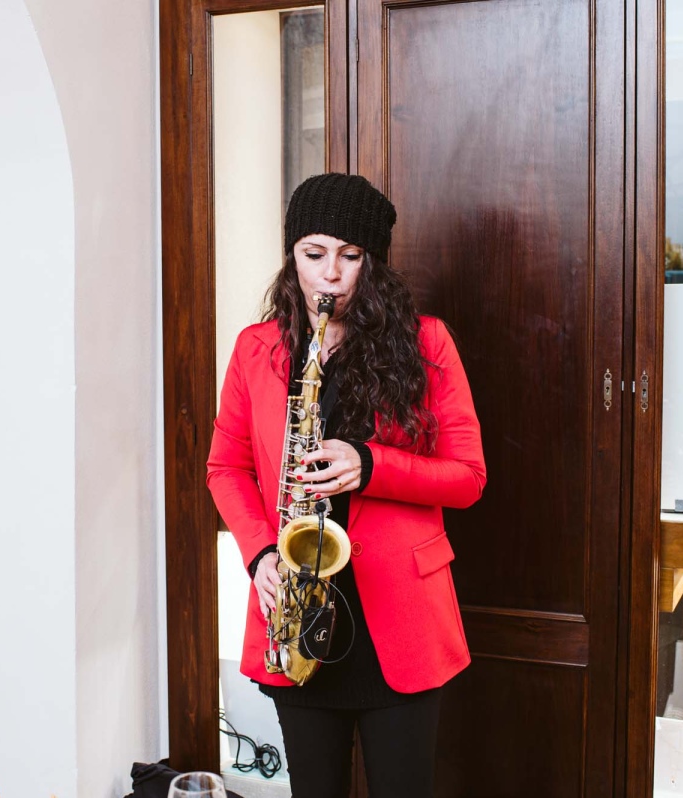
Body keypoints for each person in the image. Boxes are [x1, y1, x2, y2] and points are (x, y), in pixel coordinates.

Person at [207, 173, 486, 797]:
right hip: (296, 613)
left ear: (373, 262)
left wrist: (372, 465)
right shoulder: (256, 349)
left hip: (401, 623)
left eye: (350, 255)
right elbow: (225, 467)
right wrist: (259, 553)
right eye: (314, 254)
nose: (329, 275)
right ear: (292, 256)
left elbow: (469, 478)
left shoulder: (426, 342)